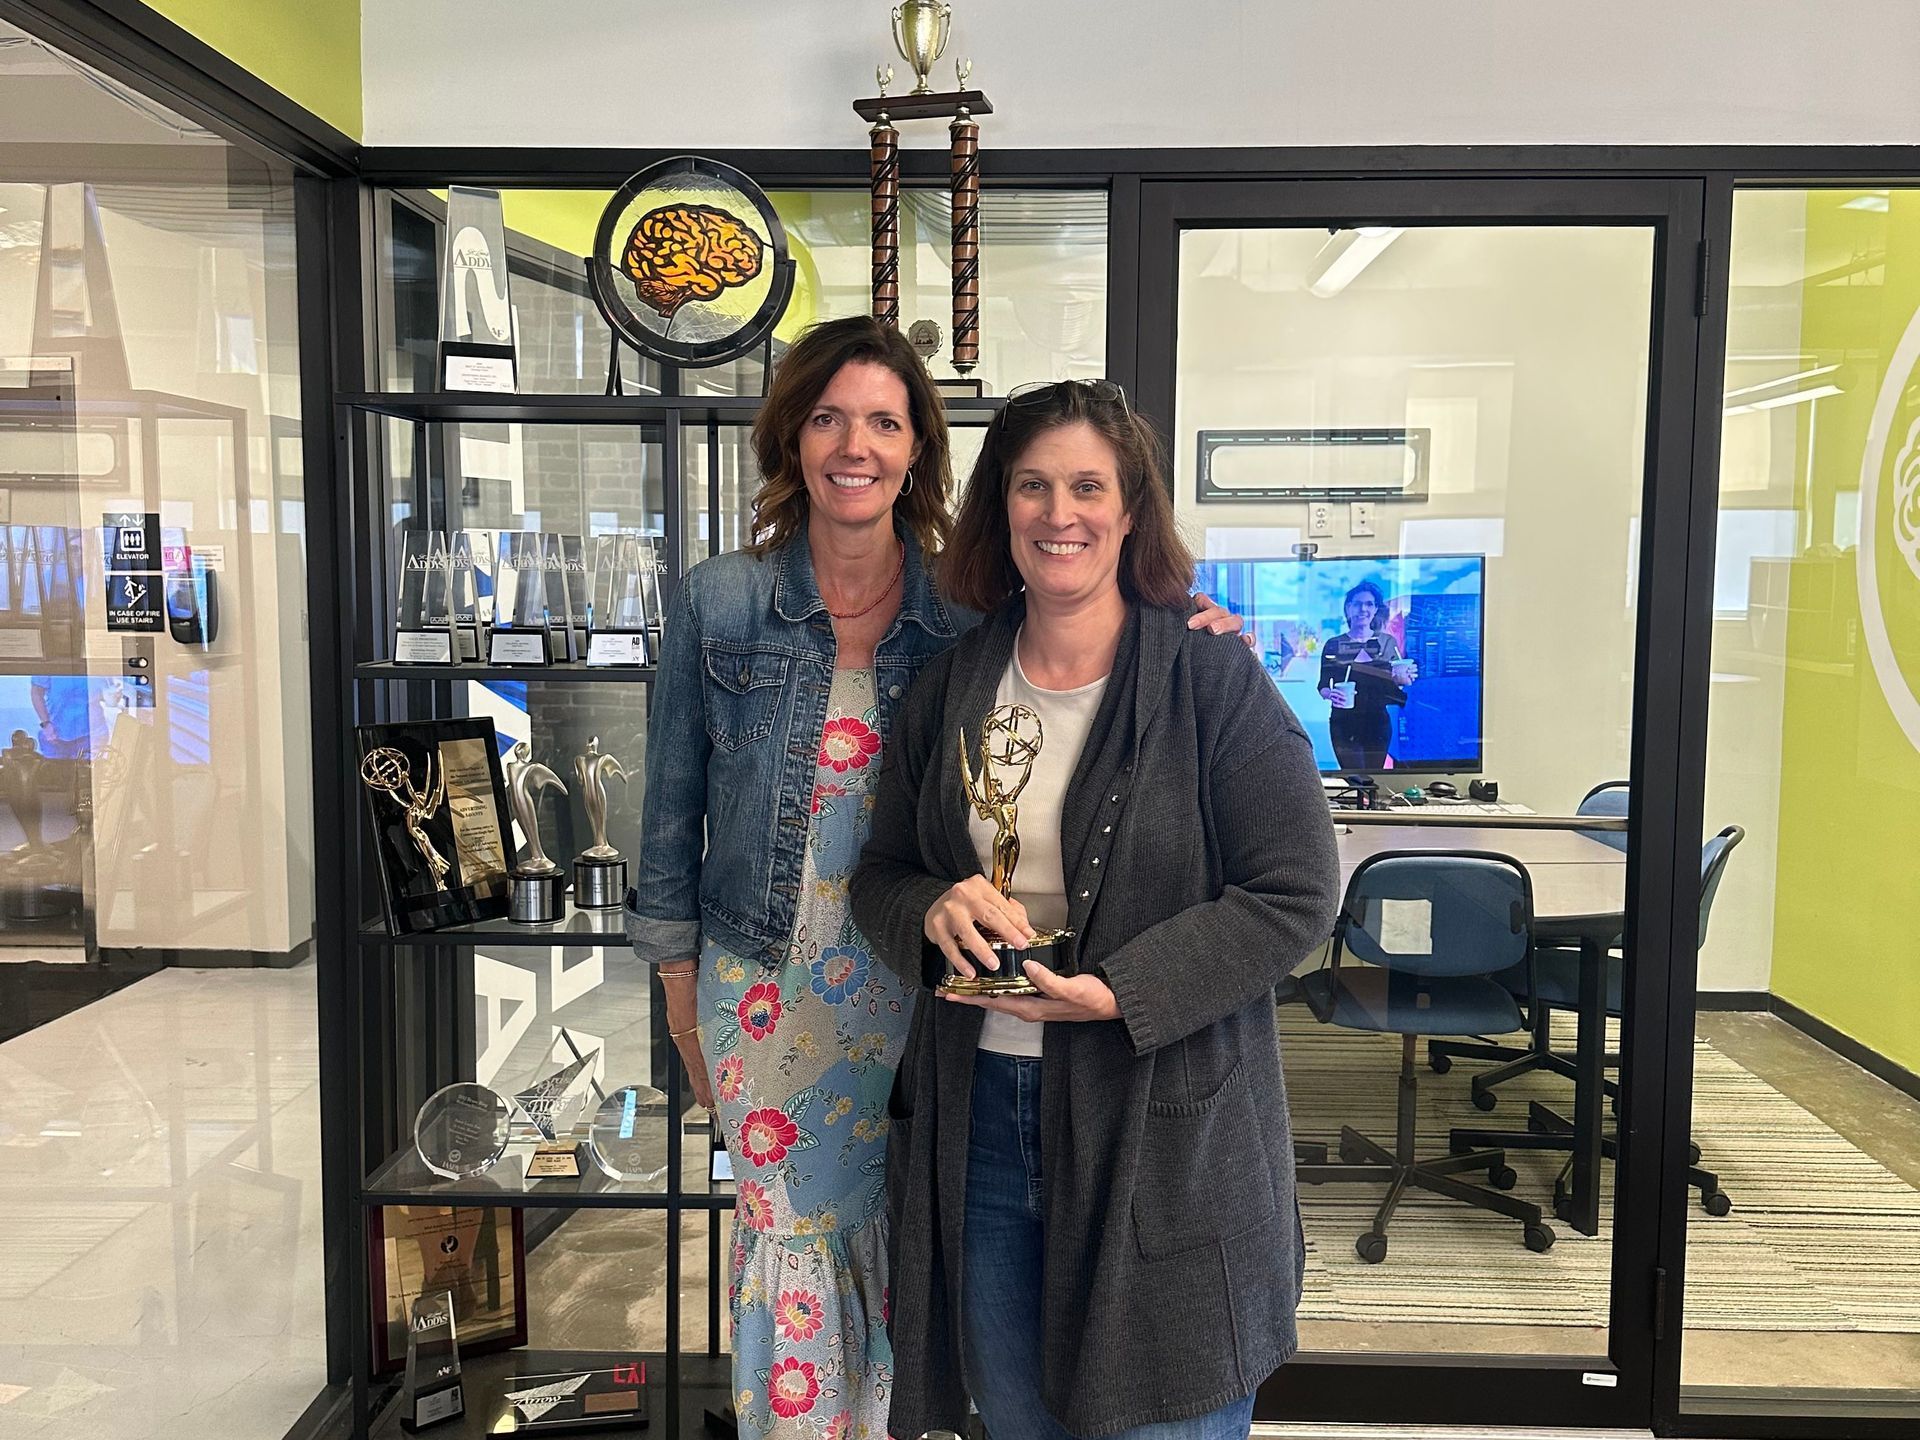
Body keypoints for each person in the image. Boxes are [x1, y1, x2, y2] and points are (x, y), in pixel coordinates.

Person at [627, 320, 1245, 1440]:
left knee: (924, 1239)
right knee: (797, 1237)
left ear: (918, 449)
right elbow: (669, 818)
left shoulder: (964, 613)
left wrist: (1188, 620)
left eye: (882, 419)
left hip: (925, 991)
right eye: (825, 416)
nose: (851, 444)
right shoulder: (720, 601)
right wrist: (681, 1010)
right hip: (764, 988)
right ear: (790, 437)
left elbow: (1090, 621)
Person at [850, 380, 1341, 1440]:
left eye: (1086, 486)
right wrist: (931, 906)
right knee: (1021, 1419)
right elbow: (880, 873)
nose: (1058, 512)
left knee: (1170, 1409)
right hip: (977, 1115)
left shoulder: (1210, 679)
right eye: (1032, 486)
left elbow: (1298, 890)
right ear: (1002, 510)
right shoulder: (949, 687)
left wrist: (1126, 989)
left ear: (1129, 511)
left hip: (1164, 1121)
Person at [1316, 579, 1418, 772]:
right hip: (1343, 722)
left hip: (1377, 722)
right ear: (1348, 608)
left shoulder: (1388, 642)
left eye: (1369, 604)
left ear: (1375, 610)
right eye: (1357, 603)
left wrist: (1405, 678)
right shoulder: (1333, 644)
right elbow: (1322, 685)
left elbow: (1398, 681)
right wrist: (1330, 694)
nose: (1363, 609)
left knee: (1373, 777)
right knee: (1352, 777)